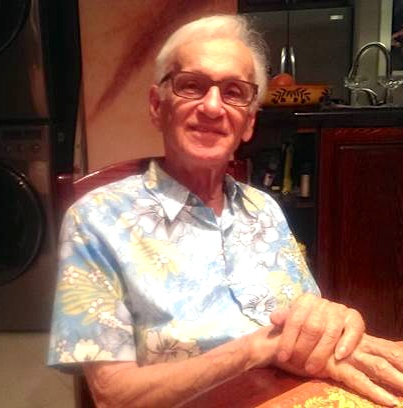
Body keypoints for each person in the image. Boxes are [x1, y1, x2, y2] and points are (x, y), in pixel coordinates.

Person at [48, 15, 403, 407]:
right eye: (191, 86)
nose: (213, 107)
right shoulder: (95, 220)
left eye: (234, 92)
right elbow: (114, 395)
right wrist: (252, 350)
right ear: (157, 106)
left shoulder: (264, 210)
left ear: (248, 122)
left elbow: (308, 328)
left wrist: (336, 322)